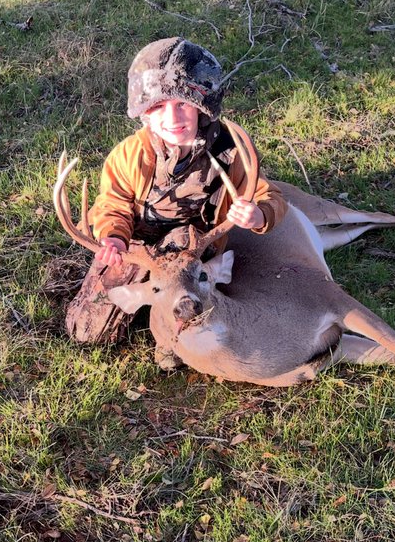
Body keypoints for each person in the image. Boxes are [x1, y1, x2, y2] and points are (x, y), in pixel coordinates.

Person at [65, 37, 288, 363]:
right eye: (159, 106)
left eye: (183, 104)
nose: (173, 118)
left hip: (197, 252)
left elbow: (268, 195)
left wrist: (259, 214)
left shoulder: (229, 151)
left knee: (205, 315)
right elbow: (112, 203)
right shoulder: (129, 155)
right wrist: (113, 237)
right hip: (140, 250)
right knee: (87, 331)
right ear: (144, 112)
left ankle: (169, 338)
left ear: (204, 106)